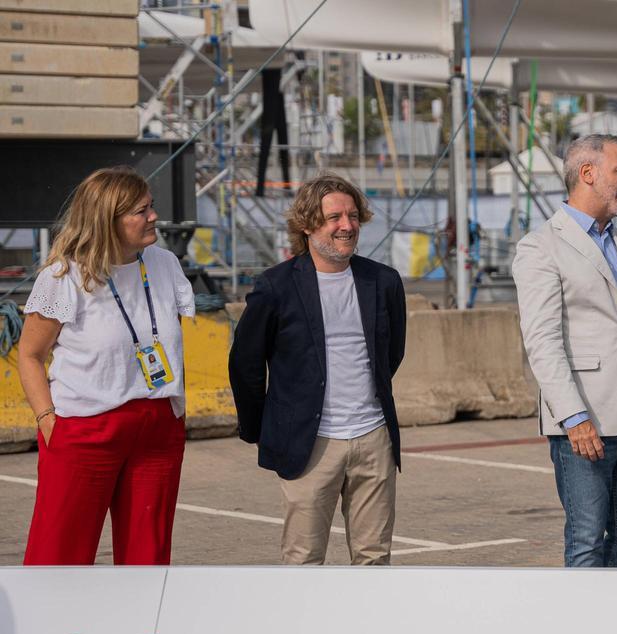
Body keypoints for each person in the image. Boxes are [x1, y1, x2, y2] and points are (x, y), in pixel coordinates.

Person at [512, 134, 617, 568]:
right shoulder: (540, 247)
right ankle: (582, 632)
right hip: (585, 418)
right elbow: (542, 342)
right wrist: (573, 417)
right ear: (588, 173)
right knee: (587, 538)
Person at [19, 165, 195, 565]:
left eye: (151, 206)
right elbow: (29, 355)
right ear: (106, 220)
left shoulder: (165, 264)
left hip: (157, 427)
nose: (153, 216)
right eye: (140, 211)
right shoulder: (64, 276)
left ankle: (139, 629)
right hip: (86, 428)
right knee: (59, 554)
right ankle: (50, 628)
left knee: (147, 558)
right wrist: (48, 418)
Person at [229, 174, 406, 565]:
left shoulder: (383, 281)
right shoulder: (275, 287)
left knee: (375, 559)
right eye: (334, 218)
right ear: (307, 224)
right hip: (310, 444)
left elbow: (391, 354)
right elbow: (245, 364)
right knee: (304, 559)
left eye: (353, 215)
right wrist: (262, 430)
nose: (347, 226)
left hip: (373, 437)